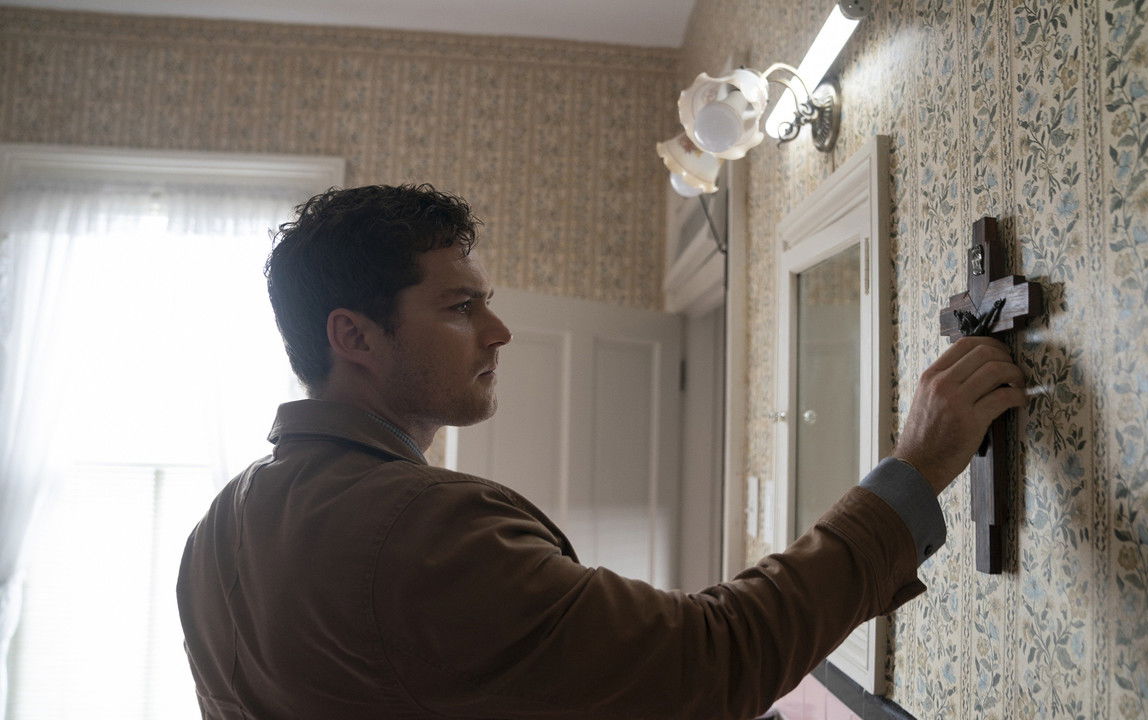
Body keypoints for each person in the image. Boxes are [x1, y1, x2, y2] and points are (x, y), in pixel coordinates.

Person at [177, 184, 1026, 720]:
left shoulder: (215, 533)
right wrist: (916, 469)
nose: (499, 331)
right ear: (354, 336)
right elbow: (712, 660)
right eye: (461, 307)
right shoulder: (424, 528)